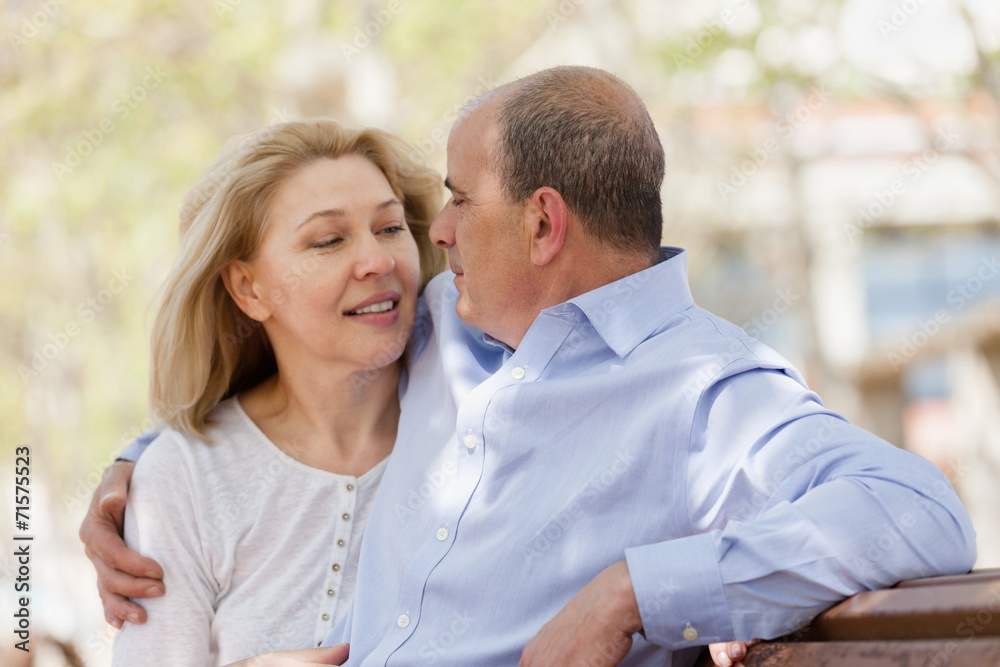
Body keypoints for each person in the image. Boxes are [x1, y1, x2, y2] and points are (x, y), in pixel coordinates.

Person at [82, 67, 976, 667]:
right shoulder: (440, 323)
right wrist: (140, 463)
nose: (433, 234)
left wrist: (629, 593)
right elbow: (301, 360)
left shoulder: (705, 391)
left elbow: (918, 511)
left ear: (543, 224)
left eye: (459, 202)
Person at [105, 119, 445, 666]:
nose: (379, 262)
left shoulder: (476, 419)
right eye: (329, 240)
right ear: (249, 289)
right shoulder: (184, 476)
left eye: (389, 227)